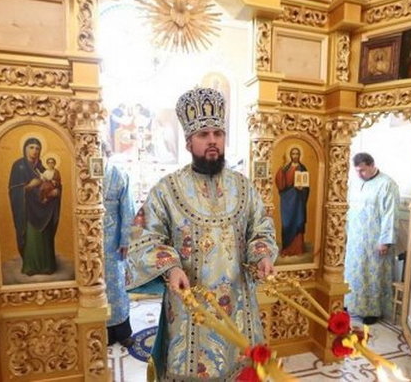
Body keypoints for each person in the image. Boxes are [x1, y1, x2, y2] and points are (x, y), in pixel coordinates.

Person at [125, 87, 277, 380]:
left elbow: (261, 228)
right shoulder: (167, 190)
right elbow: (143, 238)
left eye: (218, 134)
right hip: (189, 307)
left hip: (238, 304)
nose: (212, 141)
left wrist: (262, 256)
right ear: (188, 142)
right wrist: (171, 268)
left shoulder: (243, 187)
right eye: (204, 134)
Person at [344, 152, 399, 325]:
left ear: (372, 165)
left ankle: (372, 311)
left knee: (372, 275)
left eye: (362, 170)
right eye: (357, 171)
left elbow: (391, 214)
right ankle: (350, 303)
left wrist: (385, 241)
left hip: (375, 240)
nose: (359, 174)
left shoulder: (387, 184)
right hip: (355, 239)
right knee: (354, 272)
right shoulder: (355, 182)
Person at [100, 140, 136, 347]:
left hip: (113, 241)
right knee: (95, 287)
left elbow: (128, 209)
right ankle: (102, 331)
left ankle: (122, 332)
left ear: (106, 153)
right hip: (88, 242)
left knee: (116, 285)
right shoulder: (82, 175)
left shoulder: (119, 174)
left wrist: (125, 240)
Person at [8, 137, 61, 276]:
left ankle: (47, 266)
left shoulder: (42, 168)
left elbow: (53, 183)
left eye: (37, 148)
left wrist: (56, 192)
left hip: (44, 209)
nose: (34, 151)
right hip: (28, 210)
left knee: (45, 237)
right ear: (25, 149)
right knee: (31, 238)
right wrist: (29, 186)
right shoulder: (18, 166)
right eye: (31, 147)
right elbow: (13, 189)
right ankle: (30, 267)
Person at [275, 147, 310, 257]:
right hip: (287, 200)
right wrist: (281, 169)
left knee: (298, 222)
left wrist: (303, 189)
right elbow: (281, 183)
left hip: (298, 201)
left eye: (297, 154)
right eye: (293, 154)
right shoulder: (286, 168)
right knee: (286, 224)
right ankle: (287, 249)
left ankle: (298, 249)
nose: (295, 156)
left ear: (299, 155)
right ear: (290, 155)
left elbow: (307, 186)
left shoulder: (303, 168)